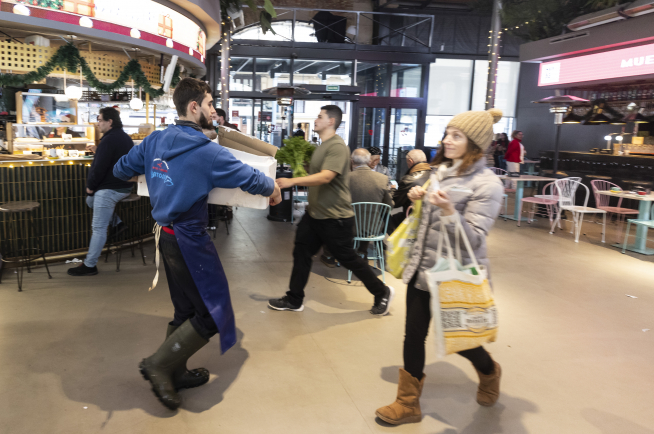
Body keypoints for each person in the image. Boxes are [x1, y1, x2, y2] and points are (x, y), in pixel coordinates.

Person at [112, 78, 281, 410]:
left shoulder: (155, 139)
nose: (213, 110)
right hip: (190, 240)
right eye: (209, 104)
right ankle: (159, 364)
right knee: (212, 316)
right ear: (194, 107)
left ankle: (177, 371)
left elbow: (121, 170)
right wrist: (274, 189)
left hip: (164, 237)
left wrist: (153, 174)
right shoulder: (208, 152)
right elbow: (251, 178)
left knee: (184, 309)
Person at [375, 109, 505, 425]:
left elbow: (472, 240)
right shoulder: (441, 172)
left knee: (458, 338)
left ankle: (489, 371)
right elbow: (424, 224)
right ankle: (408, 403)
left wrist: (448, 210)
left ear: (475, 143)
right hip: (423, 269)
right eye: (447, 133)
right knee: (413, 334)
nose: (447, 140)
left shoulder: (488, 185)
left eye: (456, 136)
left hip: (455, 274)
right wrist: (419, 198)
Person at [268, 105, 395, 316]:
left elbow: (327, 176)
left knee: (347, 258)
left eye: (319, 117)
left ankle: (382, 292)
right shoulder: (322, 146)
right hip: (315, 213)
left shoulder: (337, 146)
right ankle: (294, 298)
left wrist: (292, 181)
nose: (316, 120)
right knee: (301, 252)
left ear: (331, 121)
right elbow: (316, 172)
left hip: (334, 216)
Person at [67, 107, 134, 276]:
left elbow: (99, 168)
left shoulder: (109, 139)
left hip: (111, 188)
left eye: (100, 120)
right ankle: (117, 223)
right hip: (125, 186)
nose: (98, 124)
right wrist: (99, 151)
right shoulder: (123, 137)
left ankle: (90, 265)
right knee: (90, 201)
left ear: (109, 122)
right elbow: (116, 158)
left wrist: (90, 187)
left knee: (98, 228)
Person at [320, 148, 393, 267]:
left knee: (329, 219)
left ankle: (329, 255)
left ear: (352, 161)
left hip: (348, 228)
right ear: (369, 161)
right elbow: (389, 205)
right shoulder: (382, 179)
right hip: (374, 229)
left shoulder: (343, 179)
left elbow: (333, 202)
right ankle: (361, 252)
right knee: (366, 219)